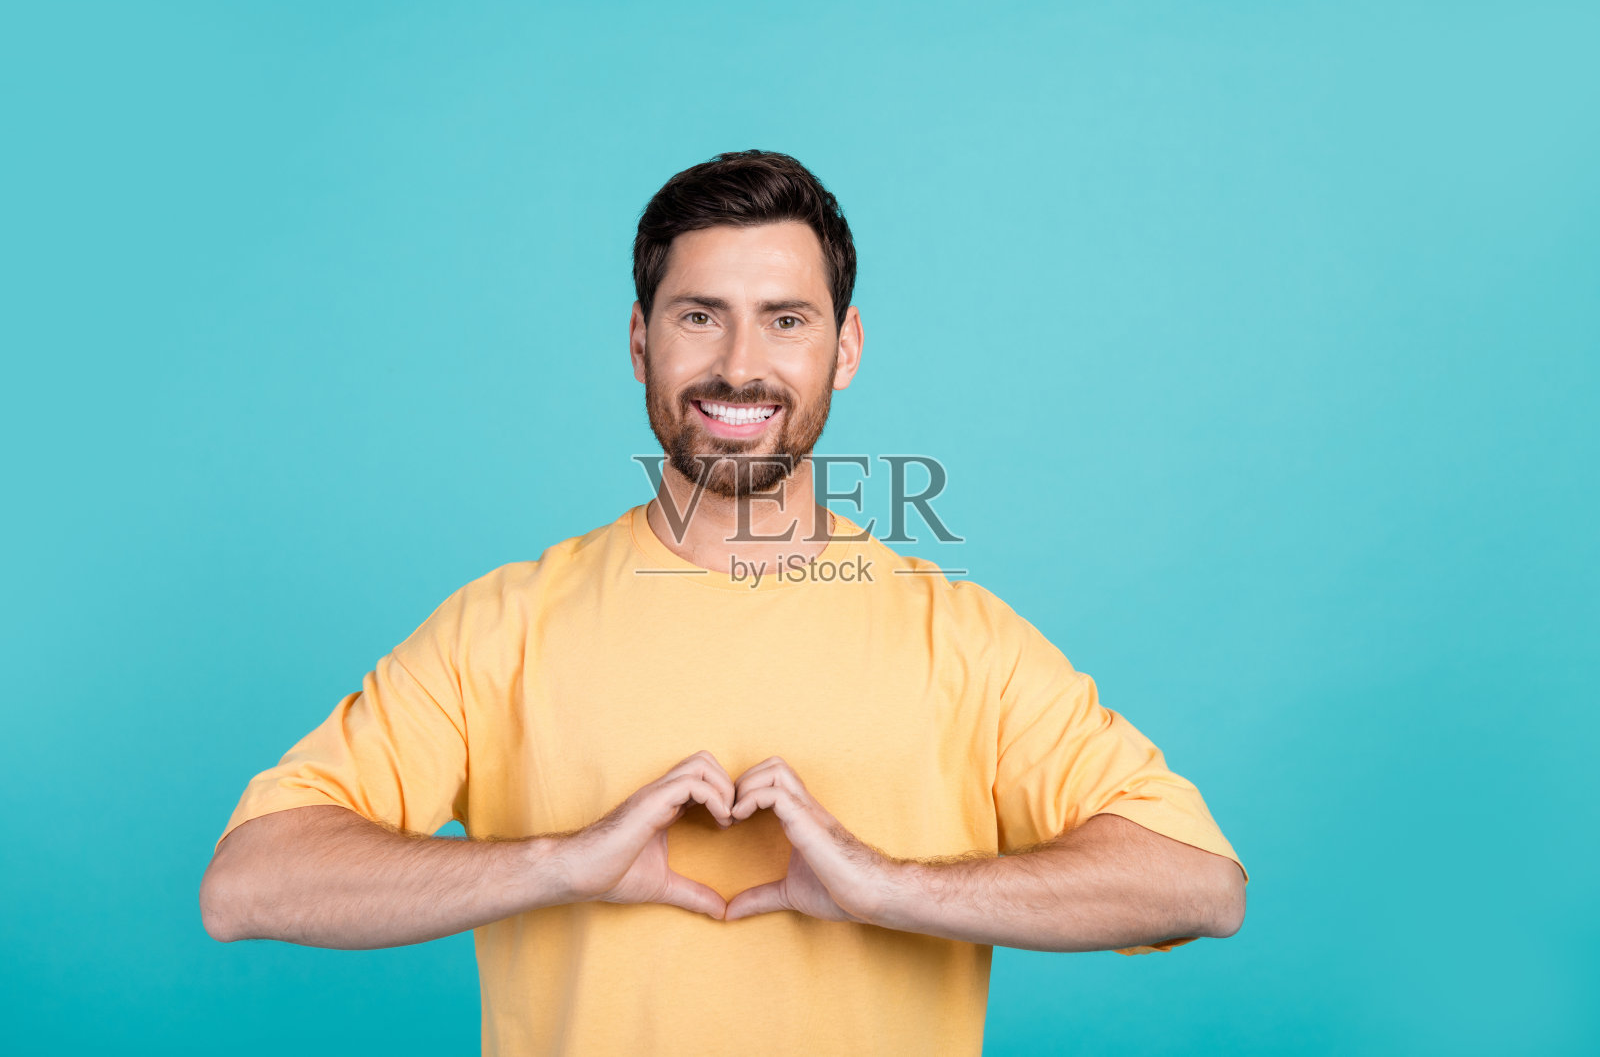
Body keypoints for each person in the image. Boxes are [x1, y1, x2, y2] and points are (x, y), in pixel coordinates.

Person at [199, 150, 1248, 1056]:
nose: (740, 365)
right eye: (699, 316)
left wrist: (889, 887)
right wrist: (560, 862)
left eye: (784, 319)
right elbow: (248, 882)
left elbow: (1197, 881)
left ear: (844, 348)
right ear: (639, 341)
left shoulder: (958, 642)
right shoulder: (506, 626)